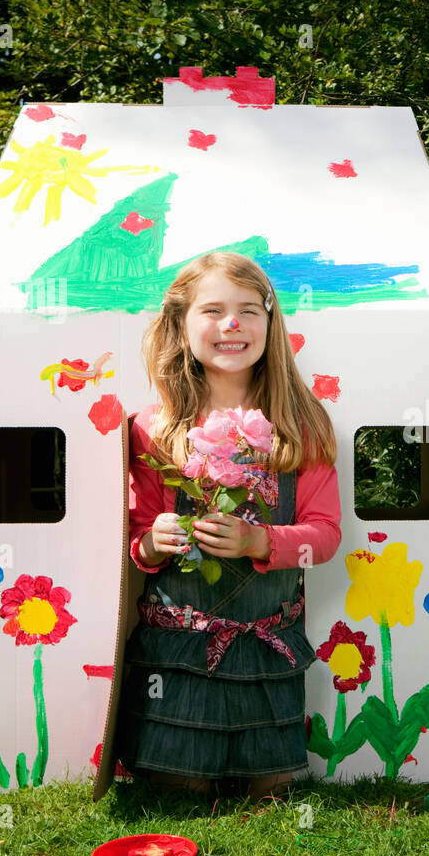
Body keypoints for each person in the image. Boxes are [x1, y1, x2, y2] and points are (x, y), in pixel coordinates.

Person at [114, 251, 341, 801]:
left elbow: (326, 534)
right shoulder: (154, 429)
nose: (232, 324)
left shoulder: (300, 425)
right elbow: (137, 545)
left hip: (266, 649)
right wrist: (153, 540)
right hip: (178, 652)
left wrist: (260, 540)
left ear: (270, 322)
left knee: (271, 793)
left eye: (247, 310)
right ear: (181, 325)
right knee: (180, 788)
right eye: (212, 310)